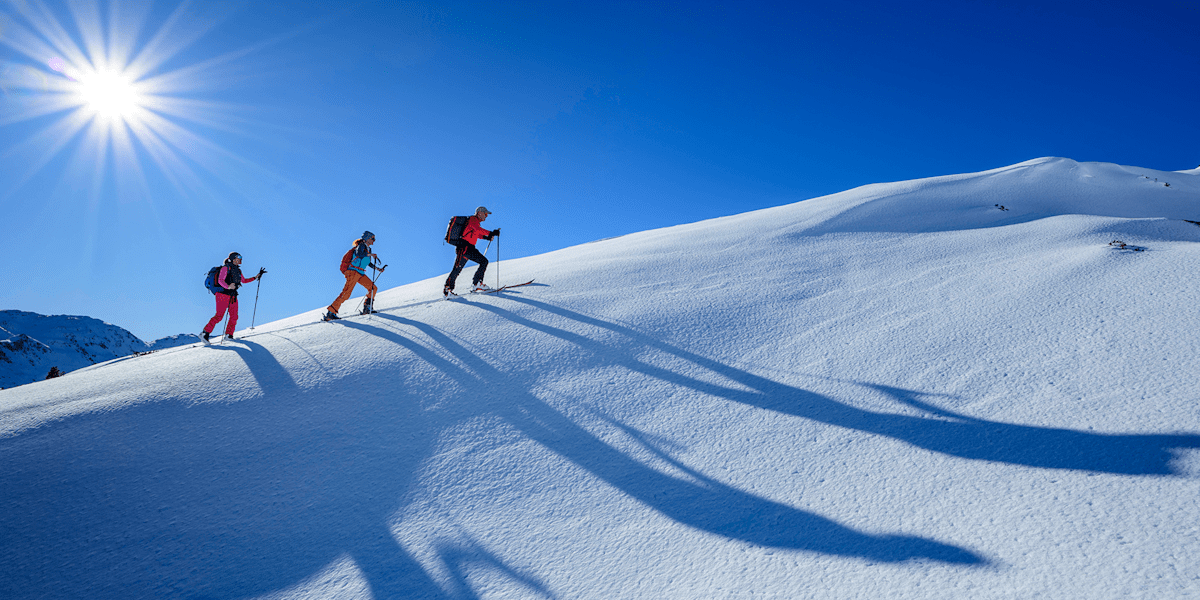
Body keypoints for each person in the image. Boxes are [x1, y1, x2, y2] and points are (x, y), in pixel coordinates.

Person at [203, 252, 264, 342]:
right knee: (219, 316)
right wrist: (228, 286)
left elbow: (243, 280)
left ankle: (229, 335)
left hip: (233, 295)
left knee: (234, 316)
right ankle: (205, 333)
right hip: (222, 294)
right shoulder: (225, 268)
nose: (240, 259)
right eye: (238, 258)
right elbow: (220, 280)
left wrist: (256, 277)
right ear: (233, 258)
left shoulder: (238, 271)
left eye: (240, 258)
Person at [324, 231, 384, 320]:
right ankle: (331, 312)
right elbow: (359, 254)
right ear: (367, 238)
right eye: (372, 238)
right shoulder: (361, 245)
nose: (374, 241)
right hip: (352, 272)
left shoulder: (368, 249)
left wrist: (377, 268)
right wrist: (370, 254)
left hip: (360, 273)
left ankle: (367, 308)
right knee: (346, 293)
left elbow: (367, 262)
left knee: (373, 288)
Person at [445, 206, 499, 296]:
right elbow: (477, 229)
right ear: (479, 213)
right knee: (458, 268)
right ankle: (448, 290)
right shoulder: (473, 219)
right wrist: (490, 233)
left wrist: (486, 237)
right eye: (485, 214)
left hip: (469, 248)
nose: (486, 216)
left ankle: (476, 284)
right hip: (464, 247)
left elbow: (476, 234)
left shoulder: (475, 222)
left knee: (482, 262)